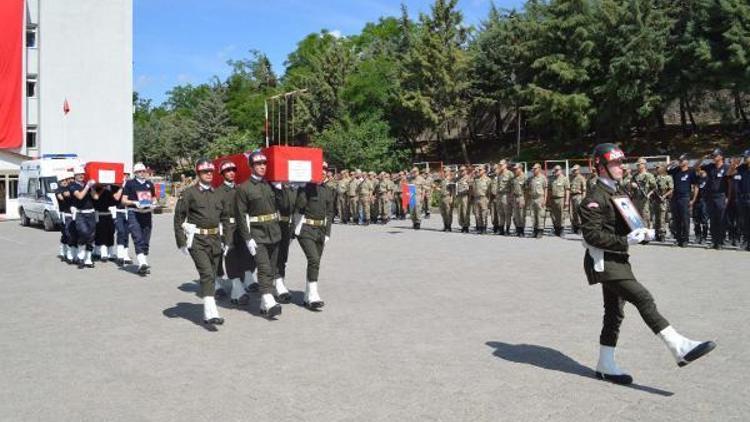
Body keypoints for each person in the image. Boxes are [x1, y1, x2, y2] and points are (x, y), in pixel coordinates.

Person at [580, 143, 716, 385]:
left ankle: (605, 364)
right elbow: (591, 235)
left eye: (621, 162)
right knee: (643, 298)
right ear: (600, 167)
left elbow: (628, 224)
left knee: (614, 313)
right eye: (614, 163)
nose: (621, 167)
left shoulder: (618, 193)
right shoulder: (594, 198)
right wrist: (626, 239)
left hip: (619, 259)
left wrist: (642, 233)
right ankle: (679, 346)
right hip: (605, 262)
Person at [174, 159, 229, 326]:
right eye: (205, 172)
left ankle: (209, 309)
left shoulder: (218, 193)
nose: (209, 174)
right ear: (198, 174)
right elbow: (179, 218)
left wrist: (226, 239)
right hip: (197, 240)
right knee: (206, 273)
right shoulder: (189, 193)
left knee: (212, 274)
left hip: (215, 239)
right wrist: (181, 241)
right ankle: (210, 312)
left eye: (211, 172)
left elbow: (225, 218)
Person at [235, 151, 283, 318]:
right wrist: (247, 238)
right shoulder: (243, 188)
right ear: (251, 166)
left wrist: (282, 190)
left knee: (271, 266)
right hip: (257, 233)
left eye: (264, 163)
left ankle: (263, 303)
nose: (262, 166)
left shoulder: (270, 185)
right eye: (258, 164)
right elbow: (241, 215)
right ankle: (269, 300)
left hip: (274, 231)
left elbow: (284, 207)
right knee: (263, 267)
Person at [293, 162, 335, 309]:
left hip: (321, 230)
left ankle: (307, 295)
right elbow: (299, 206)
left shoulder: (329, 190)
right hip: (306, 228)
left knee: (315, 263)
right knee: (314, 259)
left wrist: (328, 232)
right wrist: (304, 188)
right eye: (320, 169)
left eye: (325, 169)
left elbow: (330, 213)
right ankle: (313, 295)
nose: (323, 172)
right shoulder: (306, 187)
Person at [215, 161, 253, 305]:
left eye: (233, 170)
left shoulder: (240, 189)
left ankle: (236, 293)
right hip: (226, 227)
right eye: (228, 170)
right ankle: (237, 288)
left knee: (244, 255)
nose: (231, 172)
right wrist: (220, 232)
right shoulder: (218, 192)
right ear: (222, 174)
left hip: (241, 226)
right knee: (230, 256)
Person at [121, 162, 156, 275]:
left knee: (146, 239)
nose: (142, 173)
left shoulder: (149, 184)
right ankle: (142, 263)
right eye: (139, 171)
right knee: (137, 237)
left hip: (146, 213)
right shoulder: (130, 184)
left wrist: (154, 203)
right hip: (134, 213)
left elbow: (153, 197)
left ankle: (143, 262)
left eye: (143, 171)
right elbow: (123, 200)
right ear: (135, 173)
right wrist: (135, 203)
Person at [698, 149, 731, 249]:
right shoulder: (710, 167)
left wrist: (728, 197)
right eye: (713, 156)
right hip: (711, 197)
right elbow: (696, 168)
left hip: (721, 196)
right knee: (712, 220)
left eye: (715, 156)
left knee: (721, 219)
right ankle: (713, 241)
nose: (713, 157)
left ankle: (720, 241)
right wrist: (702, 158)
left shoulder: (726, 167)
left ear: (721, 156)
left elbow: (730, 184)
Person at [271, 180, 297, 304]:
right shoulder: (272, 187)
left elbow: (296, 206)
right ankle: (274, 284)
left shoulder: (292, 188)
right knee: (273, 257)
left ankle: (279, 282)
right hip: (273, 224)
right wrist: (278, 188)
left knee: (282, 256)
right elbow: (281, 204)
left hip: (287, 225)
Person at [70, 166, 98, 268]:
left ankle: (88, 259)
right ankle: (80, 257)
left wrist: (92, 188)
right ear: (75, 176)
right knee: (84, 233)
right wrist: (87, 187)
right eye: (79, 174)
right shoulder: (73, 185)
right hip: (80, 213)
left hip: (91, 213)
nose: (81, 176)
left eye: (82, 174)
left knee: (91, 236)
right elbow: (80, 196)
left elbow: (96, 197)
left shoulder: (87, 184)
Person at [729, 150, 750, 251]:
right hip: (743, 198)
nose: (745, 158)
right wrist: (734, 164)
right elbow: (729, 174)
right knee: (744, 222)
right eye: (744, 157)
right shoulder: (741, 168)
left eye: (747, 157)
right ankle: (746, 242)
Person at [112, 175, 133, 266]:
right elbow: (116, 198)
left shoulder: (131, 187)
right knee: (120, 231)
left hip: (128, 212)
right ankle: (120, 255)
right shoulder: (114, 187)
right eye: (124, 176)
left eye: (127, 176)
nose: (125, 177)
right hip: (118, 212)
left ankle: (125, 255)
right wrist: (121, 187)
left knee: (126, 233)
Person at [93, 184, 118, 261]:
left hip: (109, 213)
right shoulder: (95, 188)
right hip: (99, 213)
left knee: (110, 232)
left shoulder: (110, 189)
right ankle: (102, 252)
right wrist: (102, 189)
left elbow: (114, 202)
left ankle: (110, 252)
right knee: (101, 233)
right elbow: (96, 199)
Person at [54, 173, 74, 262]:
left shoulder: (70, 188)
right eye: (63, 181)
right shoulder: (58, 190)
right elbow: (62, 197)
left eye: (66, 180)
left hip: (71, 213)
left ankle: (70, 253)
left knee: (71, 233)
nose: (65, 182)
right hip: (63, 213)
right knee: (66, 233)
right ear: (59, 182)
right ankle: (63, 252)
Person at [631, 158, 656, 229]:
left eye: (639, 164)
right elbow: (630, 187)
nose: (638, 166)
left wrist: (649, 194)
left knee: (645, 216)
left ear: (644, 165)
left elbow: (654, 187)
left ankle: (646, 234)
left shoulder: (649, 175)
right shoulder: (634, 176)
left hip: (644, 199)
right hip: (635, 198)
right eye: (637, 165)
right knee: (636, 216)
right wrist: (632, 185)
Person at [653, 164, 674, 242]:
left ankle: (662, 234)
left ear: (663, 168)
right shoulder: (655, 177)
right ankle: (656, 233)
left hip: (663, 199)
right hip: (655, 200)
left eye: (658, 167)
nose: (657, 169)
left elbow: (671, 189)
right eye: (656, 168)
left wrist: (664, 196)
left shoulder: (668, 178)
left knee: (662, 218)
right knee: (656, 218)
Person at [549, 165, 570, 237]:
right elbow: (549, 190)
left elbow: (567, 190)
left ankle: (561, 230)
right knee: (553, 215)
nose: (556, 171)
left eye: (557, 170)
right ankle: (556, 230)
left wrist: (567, 201)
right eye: (555, 170)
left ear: (561, 170)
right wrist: (548, 200)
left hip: (561, 198)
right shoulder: (551, 179)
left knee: (561, 215)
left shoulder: (564, 179)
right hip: (553, 199)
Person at [527, 163, 547, 238]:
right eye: (533, 169)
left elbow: (545, 189)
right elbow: (528, 189)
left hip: (540, 198)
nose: (533, 170)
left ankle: (540, 231)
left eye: (535, 169)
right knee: (533, 215)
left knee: (540, 215)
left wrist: (544, 200)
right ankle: (534, 231)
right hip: (532, 199)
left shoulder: (543, 178)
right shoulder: (531, 179)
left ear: (539, 169)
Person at [494, 160, 514, 236]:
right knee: (500, 213)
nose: (500, 166)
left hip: (506, 195)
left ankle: (507, 230)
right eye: (499, 165)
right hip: (499, 195)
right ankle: (501, 229)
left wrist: (511, 196)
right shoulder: (499, 174)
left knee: (507, 213)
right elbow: (498, 185)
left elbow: (512, 186)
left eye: (501, 165)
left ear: (506, 165)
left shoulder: (510, 174)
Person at [472, 165, 491, 234]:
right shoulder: (475, 179)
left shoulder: (488, 180)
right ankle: (480, 228)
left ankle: (484, 228)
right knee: (477, 215)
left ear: (484, 170)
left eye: (480, 170)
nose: (478, 171)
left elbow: (489, 191)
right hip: (476, 198)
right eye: (478, 170)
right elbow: (472, 188)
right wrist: (474, 173)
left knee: (483, 214)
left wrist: (488, 200)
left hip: (484, 198)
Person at [693, 169, 710, 244]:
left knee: (704, 220)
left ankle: (704, 237)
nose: (699, 171)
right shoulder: (697, 179)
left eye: (701, 170)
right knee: (696, 220)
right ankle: (698, 236)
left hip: (705, 201)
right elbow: (695, 189)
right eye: (699, 170)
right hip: (697, 201)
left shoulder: (709, 179)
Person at [569, 165, 587, 234]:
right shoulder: (572, 178)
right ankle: (575, 226)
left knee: (579, 212)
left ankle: (580, 227)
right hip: (572, 196)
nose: (574, 171)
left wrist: (583, 198)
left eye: (575, 170)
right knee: (573, 212)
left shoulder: (581, 178)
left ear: (578, 170)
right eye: (573, 170)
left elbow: (584, 189)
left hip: (579, 196)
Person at [511, 163, 527, 237]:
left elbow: (527, 191)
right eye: (514, 169)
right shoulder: (514, 178)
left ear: (520, 168)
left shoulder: (524, 177)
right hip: (514, 197)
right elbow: (512, 189)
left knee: (521, 215)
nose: (515, 170)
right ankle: (518, 229)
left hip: (521, 197)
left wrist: (524, 200)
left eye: (516, 169)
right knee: (516, 215)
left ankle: (522, 231)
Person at [456, 166, 472, 233]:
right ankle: (462, 225)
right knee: (460, 211)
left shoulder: (468, 178)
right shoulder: (458, 178)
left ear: (466, 171)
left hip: (465, 196)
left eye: (463, 170)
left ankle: (466, 226)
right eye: (460, 170)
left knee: (465, 212)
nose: (461, 171)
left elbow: (471, 188)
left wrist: (470, 197)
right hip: (459, 196)